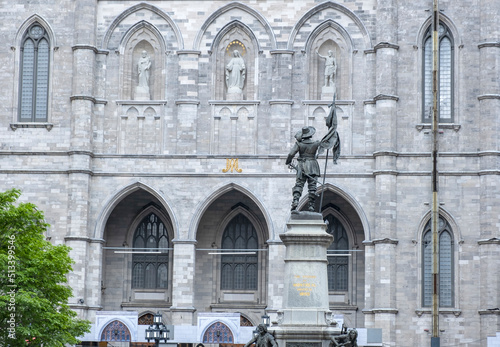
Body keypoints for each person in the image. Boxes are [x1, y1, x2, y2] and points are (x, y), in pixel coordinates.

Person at [286, 126, 322, 212]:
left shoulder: (299, 144)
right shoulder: (316, 143)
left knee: (299, 185)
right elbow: (324, 145)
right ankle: (311, 206)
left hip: (302, 166)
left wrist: (288, 161)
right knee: (312, 187)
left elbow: (291, 154)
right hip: (313, 165)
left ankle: (295, 201)